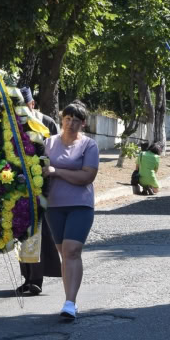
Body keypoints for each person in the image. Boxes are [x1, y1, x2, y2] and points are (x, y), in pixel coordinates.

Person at [44, 100, 100, 322]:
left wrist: (56, 171)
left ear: (83, 124)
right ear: (61, 119)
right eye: (67, 119)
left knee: (72, 250)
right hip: (54, 206)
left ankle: (70, 302)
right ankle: (68, 298)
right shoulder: (48, 143)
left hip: (80, 205)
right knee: (64, 253)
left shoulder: (89, 145)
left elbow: (87, 176)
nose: (71, 124)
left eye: (76, 121)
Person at [17, 88, 62, 296]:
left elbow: (56, 151)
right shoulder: (14, 124)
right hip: (18, 184)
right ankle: (26, 277)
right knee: (20, 232)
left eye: (24, 106)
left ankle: (37, 278)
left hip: (42, 184)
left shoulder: (47, 122)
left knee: (38, 232)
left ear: (32, 104)